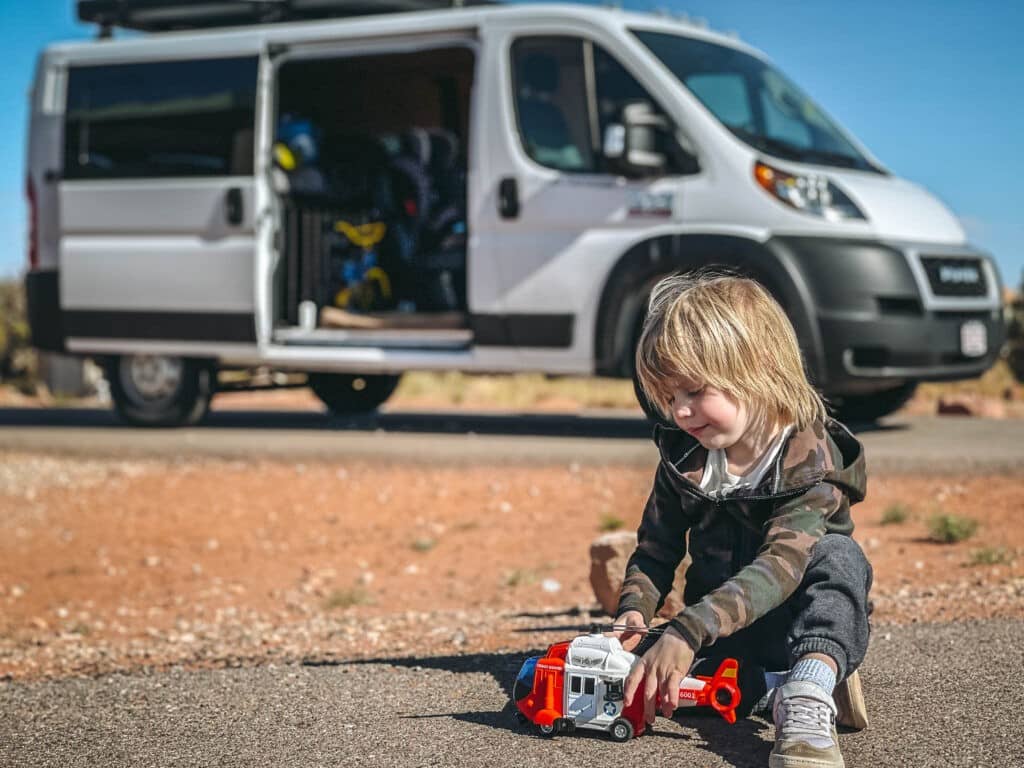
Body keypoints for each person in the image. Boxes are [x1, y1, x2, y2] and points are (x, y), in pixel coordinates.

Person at [611, 272, 872, 768]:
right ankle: (776, 688)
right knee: (664, 687)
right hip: (724, 630)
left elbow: (780, 567)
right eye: (669, 398)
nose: (680, 411)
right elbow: (656, 548)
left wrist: (685, 631)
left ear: (758, 368)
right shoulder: (684, 459)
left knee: (839, 558)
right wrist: (634, 613)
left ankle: (812, 683)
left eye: (693, 390)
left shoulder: (813, 462)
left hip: (797, 624)